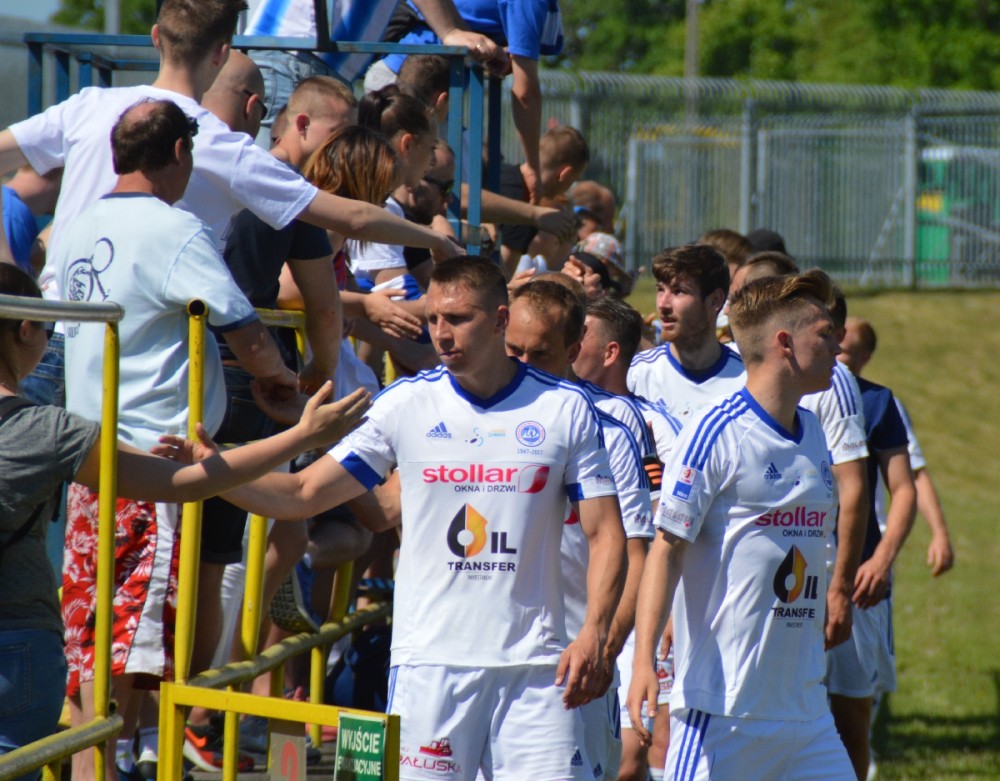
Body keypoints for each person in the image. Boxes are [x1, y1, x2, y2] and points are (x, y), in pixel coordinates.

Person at [216, 256, 627, 780]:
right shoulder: (406, 403)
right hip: (430, 666)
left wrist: (594, 631)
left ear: (500, 320)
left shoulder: (563, 407)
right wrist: (212, 472)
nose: (441, 333)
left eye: (458, 319)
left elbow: (606, 532)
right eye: (433, 318)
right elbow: (303, 492)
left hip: (536, 671)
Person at [0, 262, 370, 779]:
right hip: (17, 646)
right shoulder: (46, 430)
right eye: (48, 329)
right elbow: (184, 482)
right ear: (24, 329)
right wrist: (302, 436)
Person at [627, 270, 855, 781]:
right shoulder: (716, 432)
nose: (838, 346)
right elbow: (666, 549)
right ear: (784, 343)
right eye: (825, 333)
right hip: (723, 714)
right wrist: (644, 662)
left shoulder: (814, 430)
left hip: (807, 713)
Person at [570, 296, 682, 781]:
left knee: (632, 752)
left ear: (610, 352)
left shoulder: (649, 424)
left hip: (636, 602)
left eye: (580, 338)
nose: (568, 346)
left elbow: (665, 525)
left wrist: (665, 609)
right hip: (573, 606)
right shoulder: (554, 409)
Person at [829, 314, 918, 780]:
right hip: (794, 582)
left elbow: (904, 489)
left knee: (852, 719)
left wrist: (881, 561)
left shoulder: (877, 401)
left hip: (859, 582)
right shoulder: (780, 399)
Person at [370, 0, 561, 207]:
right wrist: (532, 166)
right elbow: (526, 94)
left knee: (441, 191)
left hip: (399, 80)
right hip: (407, 88)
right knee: (439, 194)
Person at [840, 316, 954, 576]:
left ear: (865, 357)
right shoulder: (802, 397)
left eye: (844, 350)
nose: (834, 351)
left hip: (868, 552)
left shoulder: (882, 405)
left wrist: (940, 533)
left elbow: (915, 474)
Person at [627, 244, 745, 422]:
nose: (663, 304)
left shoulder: (745, 379)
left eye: (678, 291)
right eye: (660, 289)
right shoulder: (637, 375)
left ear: (715, 301)